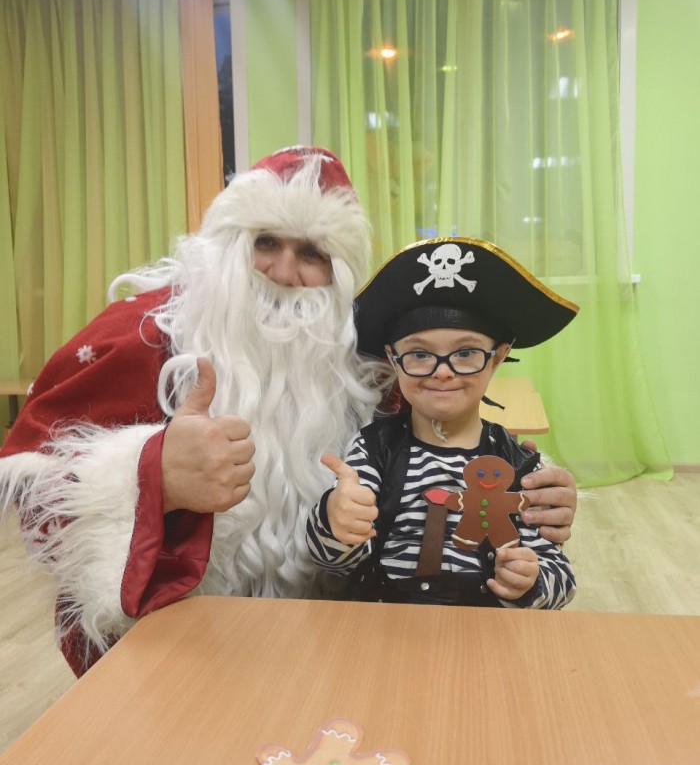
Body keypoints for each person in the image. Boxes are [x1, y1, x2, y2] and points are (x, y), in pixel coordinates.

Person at [0, 148, 577, 677]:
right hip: (174, 648)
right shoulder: (144, 334)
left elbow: (448, 434)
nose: (282, 272)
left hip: (340, 639)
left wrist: (536, 492)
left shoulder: (367, 362)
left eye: (312, 254)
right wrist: (153, 474)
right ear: (229, 244)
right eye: (266, 243)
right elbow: (33, 480)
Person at [306, 236, 578, 608]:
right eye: (419, 354)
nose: (443, 372)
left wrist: (530, 582)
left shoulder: (517, 463)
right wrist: (337, 522)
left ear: (497, 358)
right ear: (393, 358)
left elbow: (560, 575)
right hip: (385, 626)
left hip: (484, 628)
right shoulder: (373, 451)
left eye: (466, 353)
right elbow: (333, 562)